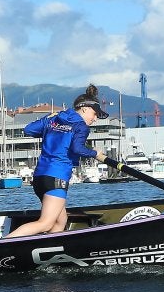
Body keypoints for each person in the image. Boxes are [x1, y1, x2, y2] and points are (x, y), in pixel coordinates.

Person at [6, 84, 108, 238]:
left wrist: (49, 120)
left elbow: (28, 129)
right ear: (85, 109)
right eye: (94, 114)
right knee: (46, 223)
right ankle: (0, 244)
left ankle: (48, 252)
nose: (94, 119)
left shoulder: (55, 118)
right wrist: (95, 153)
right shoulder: (81, 126)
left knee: (61, 221)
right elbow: (77, 149)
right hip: (57, 176)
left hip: (40, 178)